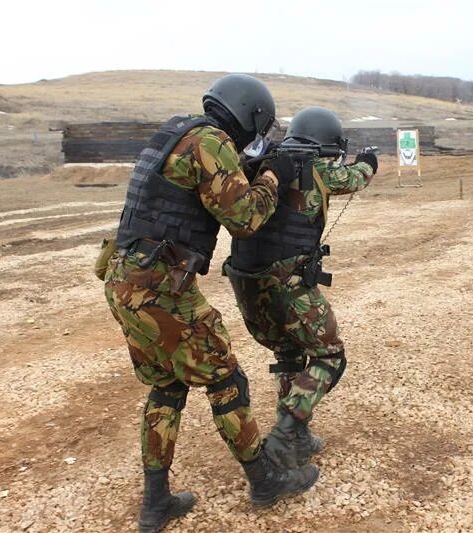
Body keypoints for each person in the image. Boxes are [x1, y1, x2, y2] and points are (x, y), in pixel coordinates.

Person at [103, 74, 317, 533]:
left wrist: (250, 168)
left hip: (125, 279)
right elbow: (245, 218)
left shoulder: (177, 132)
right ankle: (265, 480)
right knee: (225, 379)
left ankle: (156, 502)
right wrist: (274, 175)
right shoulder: (211, 142)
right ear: (251, 116)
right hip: (160, 288)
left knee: (167, 386)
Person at [224, 106, 378, 469]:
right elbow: (356, 177)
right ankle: (283, 437)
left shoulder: (260, 166)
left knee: (290, 356)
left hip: (246, 286)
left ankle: (299, 436)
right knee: (330, 357)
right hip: (286, 285)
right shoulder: (318, 168)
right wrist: (369, 161)